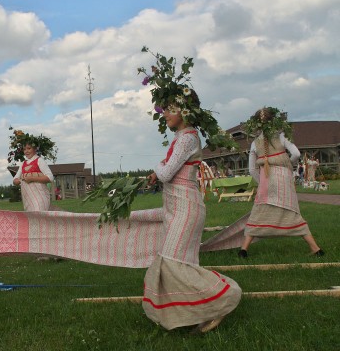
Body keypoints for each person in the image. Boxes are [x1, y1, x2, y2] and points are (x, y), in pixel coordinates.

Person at [138, 48, 241, 333]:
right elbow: (169, 170)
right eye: (165, 109)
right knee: (178, 262)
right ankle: (199, 312)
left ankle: (226, 296)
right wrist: (156, 172)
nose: (165, 115)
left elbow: (168, 171)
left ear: (184, 111)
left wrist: (157, 168)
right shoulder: (183, 139)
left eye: (170, 109)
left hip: (186, 207)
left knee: (173, 262)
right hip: (178, 206)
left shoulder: (187, 138)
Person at [238, 107, 324, 258]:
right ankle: (315, 248)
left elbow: (252, 170)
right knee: (291, 211)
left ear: (257, 124)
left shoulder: (254, 143)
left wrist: (262, 182)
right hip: (283, 178)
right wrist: (287, 165)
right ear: (273, 121)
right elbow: (296, 154)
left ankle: (244, 249)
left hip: (265, 178)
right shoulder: (282, 137)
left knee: (260, 211)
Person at [13, 142, 54, 211]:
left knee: (38, 217)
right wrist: (19, 181)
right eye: (24, 149)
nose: (26, 151)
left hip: (40, 197)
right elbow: (15, 180)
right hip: (28, 199)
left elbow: (50, 177)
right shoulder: (23, 164)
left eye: (29, 148)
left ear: (35, 149)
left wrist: (32, 178)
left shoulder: (39, 160)